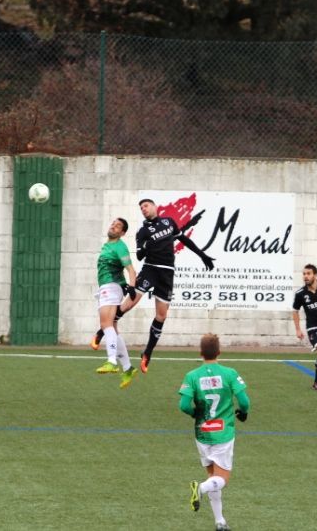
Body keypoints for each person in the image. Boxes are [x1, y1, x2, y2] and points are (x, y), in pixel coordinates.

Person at [91, 199, 215, 373]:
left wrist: (202, 255)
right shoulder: (142, 231)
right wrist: (146, 247)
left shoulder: (169, 222)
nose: (144, 209)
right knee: (128, 304)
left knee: (161, 316)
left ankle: (147, 352)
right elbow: (140, 255)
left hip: (167, 272)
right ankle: (103, 330)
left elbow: (183, 239)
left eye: (146, 206)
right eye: (141, 208)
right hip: (151, 269)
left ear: (155, 207)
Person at [179, 333, 250, 531]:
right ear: (219, 351)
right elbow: (244, 401)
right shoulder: (229, 373)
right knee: (222, 480)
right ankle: (199, 489)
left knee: (214, 478)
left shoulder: (192, 376)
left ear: (200, 353)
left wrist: (196, 414)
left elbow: (183, 405)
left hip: (202, 433)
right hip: (223, 433)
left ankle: (220, 522)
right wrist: (243, 413)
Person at [94, 217, 139, 389]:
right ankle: (127, 368)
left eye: (118, 226)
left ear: (122, 233)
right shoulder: (108, 245)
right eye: (113, 223)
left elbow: (131, 270)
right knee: (112, 325)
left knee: (105, 324)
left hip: (112, 286)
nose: (113, 226)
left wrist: (132, 287)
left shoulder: (120, 246)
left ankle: (112, 361)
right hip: (109, 287)